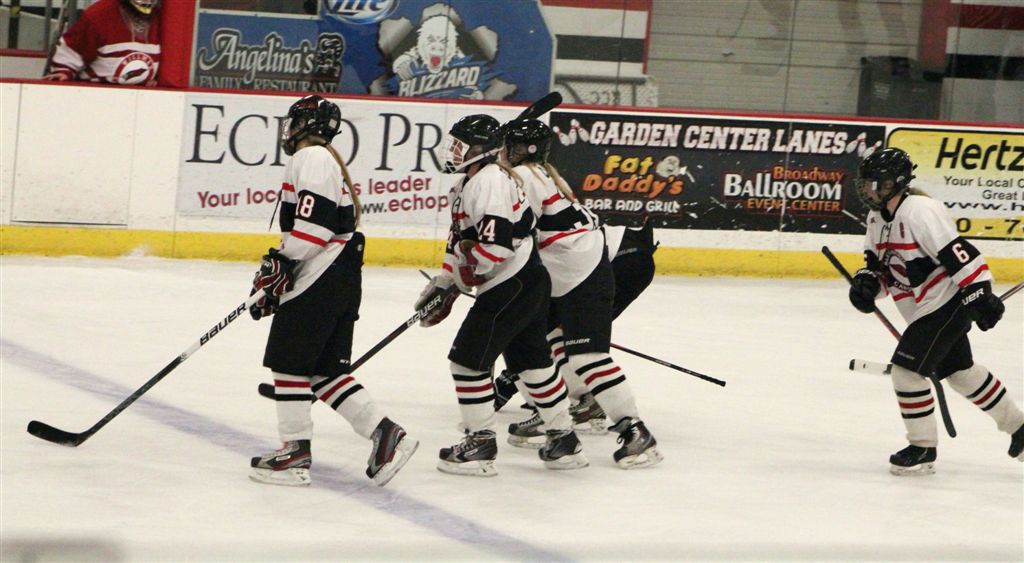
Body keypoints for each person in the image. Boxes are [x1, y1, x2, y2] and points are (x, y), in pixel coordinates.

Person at [247, 95, 418, 487]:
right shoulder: (323, 160)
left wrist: (282, 262)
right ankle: (386, 434)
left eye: (294, 122)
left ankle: (295, 451)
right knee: (323, 371)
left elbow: (316, 226)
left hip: (322, 274)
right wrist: (280, 277)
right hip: (335, 274)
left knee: (289, 362)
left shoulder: (312, 158)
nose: (288, 130)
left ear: (306, 126)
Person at [415, 114, 587, 476]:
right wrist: (444, 283)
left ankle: (480, 442)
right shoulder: (469, 183)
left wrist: (464, 276)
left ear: (481, 149)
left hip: (512, 283)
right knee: (532, 364)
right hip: (526, 281)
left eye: (460, 145)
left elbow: (495, 248)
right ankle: (564, 440)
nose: (453, 150)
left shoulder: (490, 181)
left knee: (467, 361)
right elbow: (459, 243)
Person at [849, 147, 1024, 475]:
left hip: (948, 302)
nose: (870, 191)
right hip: (924, 308)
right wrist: (867, 286)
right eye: (867, 184)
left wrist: (981, 294)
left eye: (877, 184)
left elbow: (960, 255)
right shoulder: (876, 219)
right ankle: (1020, 427)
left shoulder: (920, 212)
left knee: (906, 371)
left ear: (897, 182)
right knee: (961, 372)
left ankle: (922, 447)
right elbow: (882, 270)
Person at [499, 119, 662, 469]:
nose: (503, 152)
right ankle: (556, 416)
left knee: (587, 356)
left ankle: (634, 432)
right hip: (577, 271)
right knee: (550, 341)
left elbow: (515, 236)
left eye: (508, 146)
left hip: (586, 272)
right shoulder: (540, 174)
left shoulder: (524, 177)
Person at [44, 0, 161, 85]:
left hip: (140, 99)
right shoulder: (100, 14)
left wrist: (155, 80)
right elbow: (72, 49)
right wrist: (64, 71)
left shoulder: (163, 17)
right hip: (95, 95)